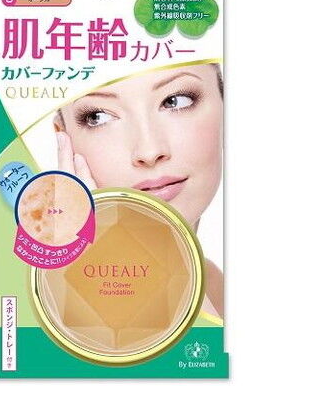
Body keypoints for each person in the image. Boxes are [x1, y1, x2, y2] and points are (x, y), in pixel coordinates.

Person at [53, 63, 224, 317]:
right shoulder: (47, 305)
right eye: (98, 116)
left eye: (175, 101)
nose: (149, 152)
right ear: (63, 137)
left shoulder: (215, 288)